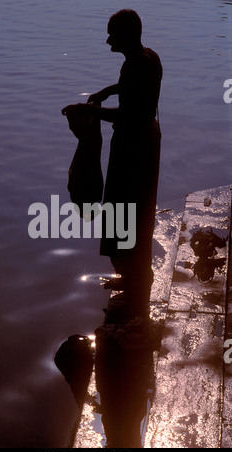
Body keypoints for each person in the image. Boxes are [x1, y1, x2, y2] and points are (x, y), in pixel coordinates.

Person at [63, 10, 163, 322]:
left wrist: (86, 108)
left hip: (134, 151)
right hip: (144, 143)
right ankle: (133, 278)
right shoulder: (148, 58)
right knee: (134, 213)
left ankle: (135, 298)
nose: (108, 40)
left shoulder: (135, 64)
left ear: (127, 35)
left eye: (112, 34)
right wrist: (109, 91)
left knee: (127, 212)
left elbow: (129, 115)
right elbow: (133, 91)